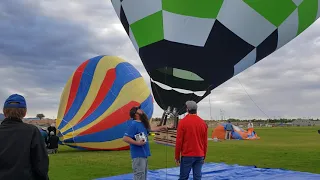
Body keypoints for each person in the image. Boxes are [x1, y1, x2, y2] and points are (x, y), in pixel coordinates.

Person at [0, 94, 49, 180]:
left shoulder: (32, 131)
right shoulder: (32, 131)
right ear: (25, 112)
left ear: (4, 112)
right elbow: (41, 165)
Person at [123, 106, 168, 180]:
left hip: (144, 154)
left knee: (143, 176)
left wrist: (162, 127)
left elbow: (151, 129)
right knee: (139, 176)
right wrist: (137, 143)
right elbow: (125, 138)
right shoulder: (133, 125)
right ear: (136, 114)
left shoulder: (142, 124)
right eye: (139, 110)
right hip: (138, 155)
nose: (142, 111)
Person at [175, 101, 208, 180]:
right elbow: (205, 142)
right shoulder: (203, 123)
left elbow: (179, 141)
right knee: (197, 177)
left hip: (187, 155)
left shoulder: (182, 122)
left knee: (183, 177)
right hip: (199, 155)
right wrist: (204, 156)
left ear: (187, 109)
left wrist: (177, 157)